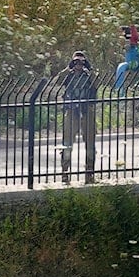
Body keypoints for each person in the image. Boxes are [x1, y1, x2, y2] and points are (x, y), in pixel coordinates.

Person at [60, 51, 97, 184]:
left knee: (90, 143)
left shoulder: (88, 76)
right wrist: (69, 67)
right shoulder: (68, 75)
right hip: (71, 111)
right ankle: (65, 173)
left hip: (87, 110)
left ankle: (89, 173)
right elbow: (58, 80)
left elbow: (96, 83)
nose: (79, 65)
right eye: (76, 62)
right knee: (67, 143)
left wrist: (89, 67)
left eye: (81, 62)